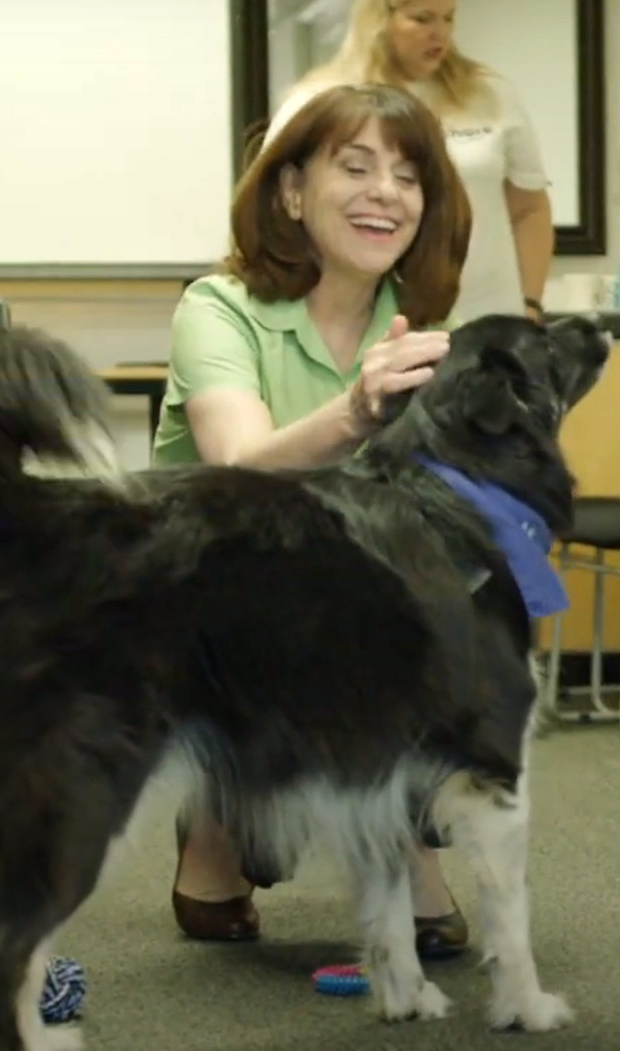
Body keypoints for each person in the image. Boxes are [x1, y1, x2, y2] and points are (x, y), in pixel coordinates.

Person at [152, 83, 473, 958]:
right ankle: (225, 805)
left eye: (408, 178)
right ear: (291, 192)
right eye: (356, 167)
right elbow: (239, 467)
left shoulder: (423, 328)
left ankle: (399, 835)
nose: (386, 194)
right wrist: (356, 413)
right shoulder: (216, 308)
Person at [263, 0, 554, 325]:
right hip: (364, 323)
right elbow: (266, 210)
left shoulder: (490, 93)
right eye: (422, 19)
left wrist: (530, 306)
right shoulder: (318, 100)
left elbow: (530, 208)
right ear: (380, 18)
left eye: (448, 18)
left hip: (488, 324)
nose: (439, 33)